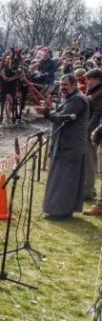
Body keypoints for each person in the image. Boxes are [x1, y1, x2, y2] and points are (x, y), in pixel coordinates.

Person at [36, 74, 89, 220]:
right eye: (61, 85)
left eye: (65, 85)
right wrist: (49, 110)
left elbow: (63, 118)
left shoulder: (78, 100)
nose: (62, 88)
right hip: (64, 145)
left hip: (70, 147)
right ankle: (59, 211)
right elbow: (59, 113)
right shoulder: (71, 98)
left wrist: (46, 113)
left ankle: (60, 213)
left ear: (74, 84)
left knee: (65, 182)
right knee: (61, 180)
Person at [84, 69, 102, 215]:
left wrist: (89, 131)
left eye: (90, 79)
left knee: (90, 162)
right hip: (91, 131)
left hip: (93, 133)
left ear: (98, 79)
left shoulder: (99, 93)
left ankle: (88, 191)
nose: (87, 81)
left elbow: (97, 115)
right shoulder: (92, 91)